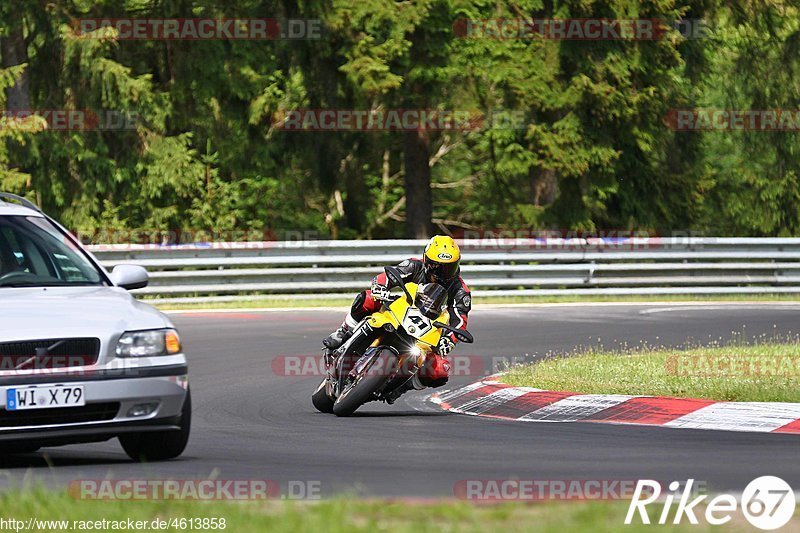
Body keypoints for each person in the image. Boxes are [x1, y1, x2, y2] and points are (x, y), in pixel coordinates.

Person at [322, 235, 471, 391]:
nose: (443, 273)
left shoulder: (460, 291)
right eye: (437, 267)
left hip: (429, 330)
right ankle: (344, 331)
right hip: (401, 309)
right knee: (367, 298)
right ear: (426, 260)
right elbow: (387, 276)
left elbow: (460, 321)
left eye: (449, 267)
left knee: (439, 370)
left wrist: (449, 340)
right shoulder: (415, 266)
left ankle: (403, 386)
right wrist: (380, 288)